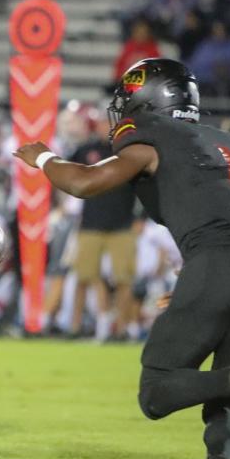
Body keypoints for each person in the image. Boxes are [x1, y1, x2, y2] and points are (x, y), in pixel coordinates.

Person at [14, 58, 230, 459]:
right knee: (222, 390)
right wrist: (199, 278)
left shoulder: (152, 140)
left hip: (220, 264)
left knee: (157, 390)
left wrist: (42, 156)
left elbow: (83, 182)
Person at [68, 117, 137, 341]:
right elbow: (64, 171)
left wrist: (142, 217)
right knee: (83, 277)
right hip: (91, 223)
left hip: (122, 224)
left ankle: (122, 328)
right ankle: (75, 326)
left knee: (123, 279)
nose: (104, 127)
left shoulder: (128, 153)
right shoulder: (85, 149)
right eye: (101, 123)